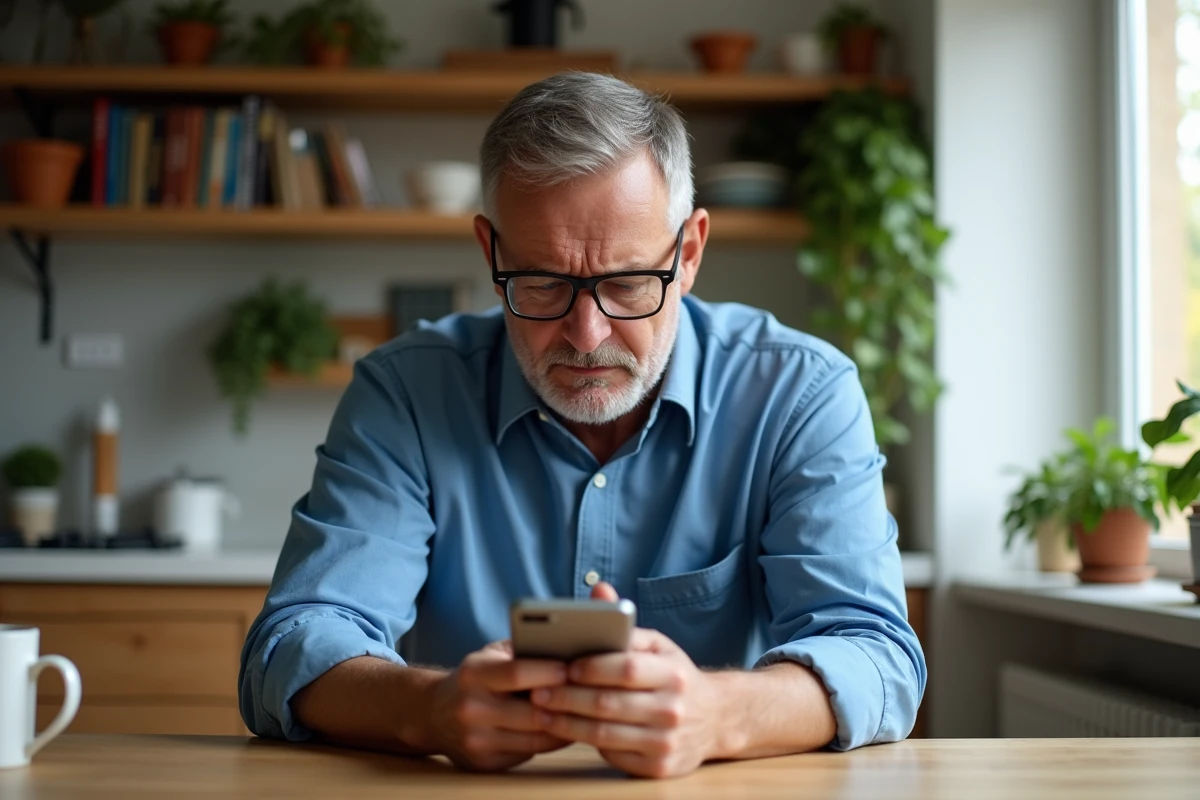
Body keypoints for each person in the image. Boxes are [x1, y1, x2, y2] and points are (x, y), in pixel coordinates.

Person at [239, 72, 925, 779]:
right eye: (542, 283)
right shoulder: (407, 393)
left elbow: (875, 655)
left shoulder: (798, 394)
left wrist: (717, 714)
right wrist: (429, 709)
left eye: (627, 284)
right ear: (491, 253)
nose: (587, 334)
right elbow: (293, 644)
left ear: (688, 254)